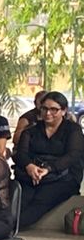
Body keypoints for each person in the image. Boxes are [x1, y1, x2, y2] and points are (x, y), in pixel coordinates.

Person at [14, 91, 84, 226]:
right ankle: (3, 224)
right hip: (32, 174)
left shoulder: (73, 130)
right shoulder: (31, 130)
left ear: (64, 111)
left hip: (64, 177)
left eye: (54, 109)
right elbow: (21, 154)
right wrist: (29, 166)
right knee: (22, 196)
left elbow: (73, 155)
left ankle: (12, 226)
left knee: (42, 197)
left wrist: (48, 169)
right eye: (45, 109)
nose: (48, 113)